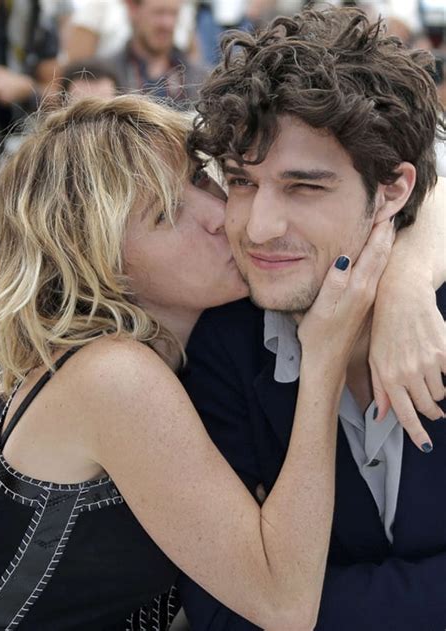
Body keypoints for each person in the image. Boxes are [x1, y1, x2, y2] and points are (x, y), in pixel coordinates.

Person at [0, 90, 442, 630]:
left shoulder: (169, 350)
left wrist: (409, 279)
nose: (220, 215)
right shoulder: (113, 376)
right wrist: (324, 360)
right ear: (99, 260)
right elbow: (285, 604)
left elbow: (425, 190)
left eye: (201, 179)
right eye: (166, 213)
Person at [177, 7, 446, 630]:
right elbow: (224, 613)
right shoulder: (222, 344)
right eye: (243, 183)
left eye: (304, 187)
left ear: (394, 190)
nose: (260, 228)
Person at [103, 0, 208, 108]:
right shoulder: (105, 77)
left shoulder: (201, 78)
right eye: (158, 13)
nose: (168, 23)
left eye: (174, 13)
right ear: (132, 9)